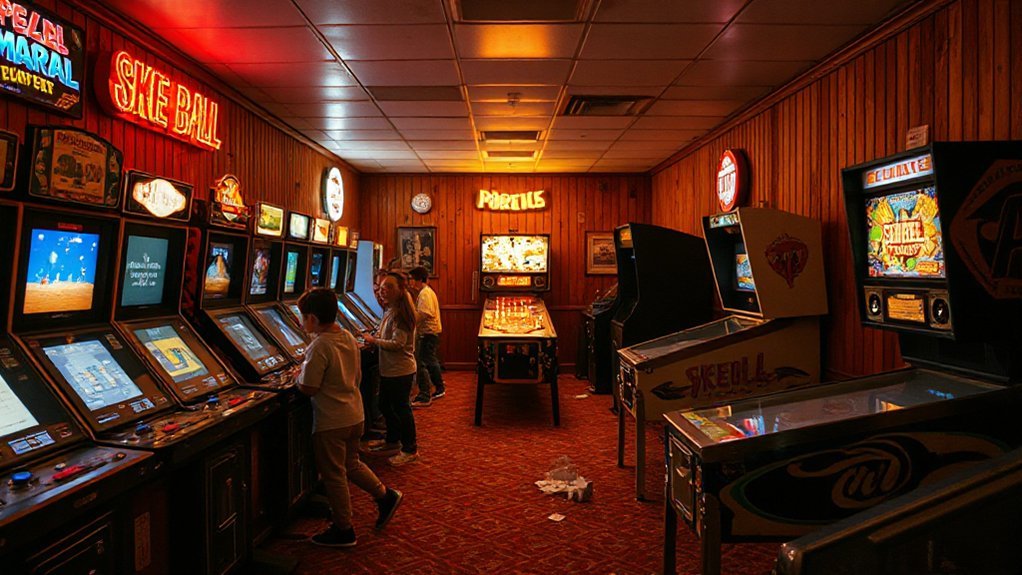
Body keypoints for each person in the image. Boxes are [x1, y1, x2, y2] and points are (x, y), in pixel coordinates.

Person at [296, 288, 402, 547]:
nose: (300, 322)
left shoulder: (319, 345)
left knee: (333, 475)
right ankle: (385, 495)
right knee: (351, 463)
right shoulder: (346, 336)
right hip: (355, 414)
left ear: (311, 318)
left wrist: (296, 376)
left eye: (301, 317)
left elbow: (309, 387)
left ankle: (343, 529)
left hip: (331, 420)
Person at [364, 272, 419, 466]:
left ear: (400, 290)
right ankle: (392, 440)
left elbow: (398, 343)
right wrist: (375, 340)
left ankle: (410, 449)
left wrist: (374, 341)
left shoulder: (401, 314)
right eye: (381, 287)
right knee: (385, 405)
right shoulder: (391, 310)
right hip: (391, 369)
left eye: (389, 287)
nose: (382, 291)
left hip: (400, 370)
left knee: (402, 409)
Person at [408, 266, 445, 407]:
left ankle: (425, 395)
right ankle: (438, 387)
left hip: (428, 332)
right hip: (430, 332)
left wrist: (411, 321)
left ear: (418, 280)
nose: (410, 282)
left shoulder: (424, 294)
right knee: (429, 360)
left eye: (411, 279)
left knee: (423, 362)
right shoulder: (426, 292)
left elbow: (424, 313)